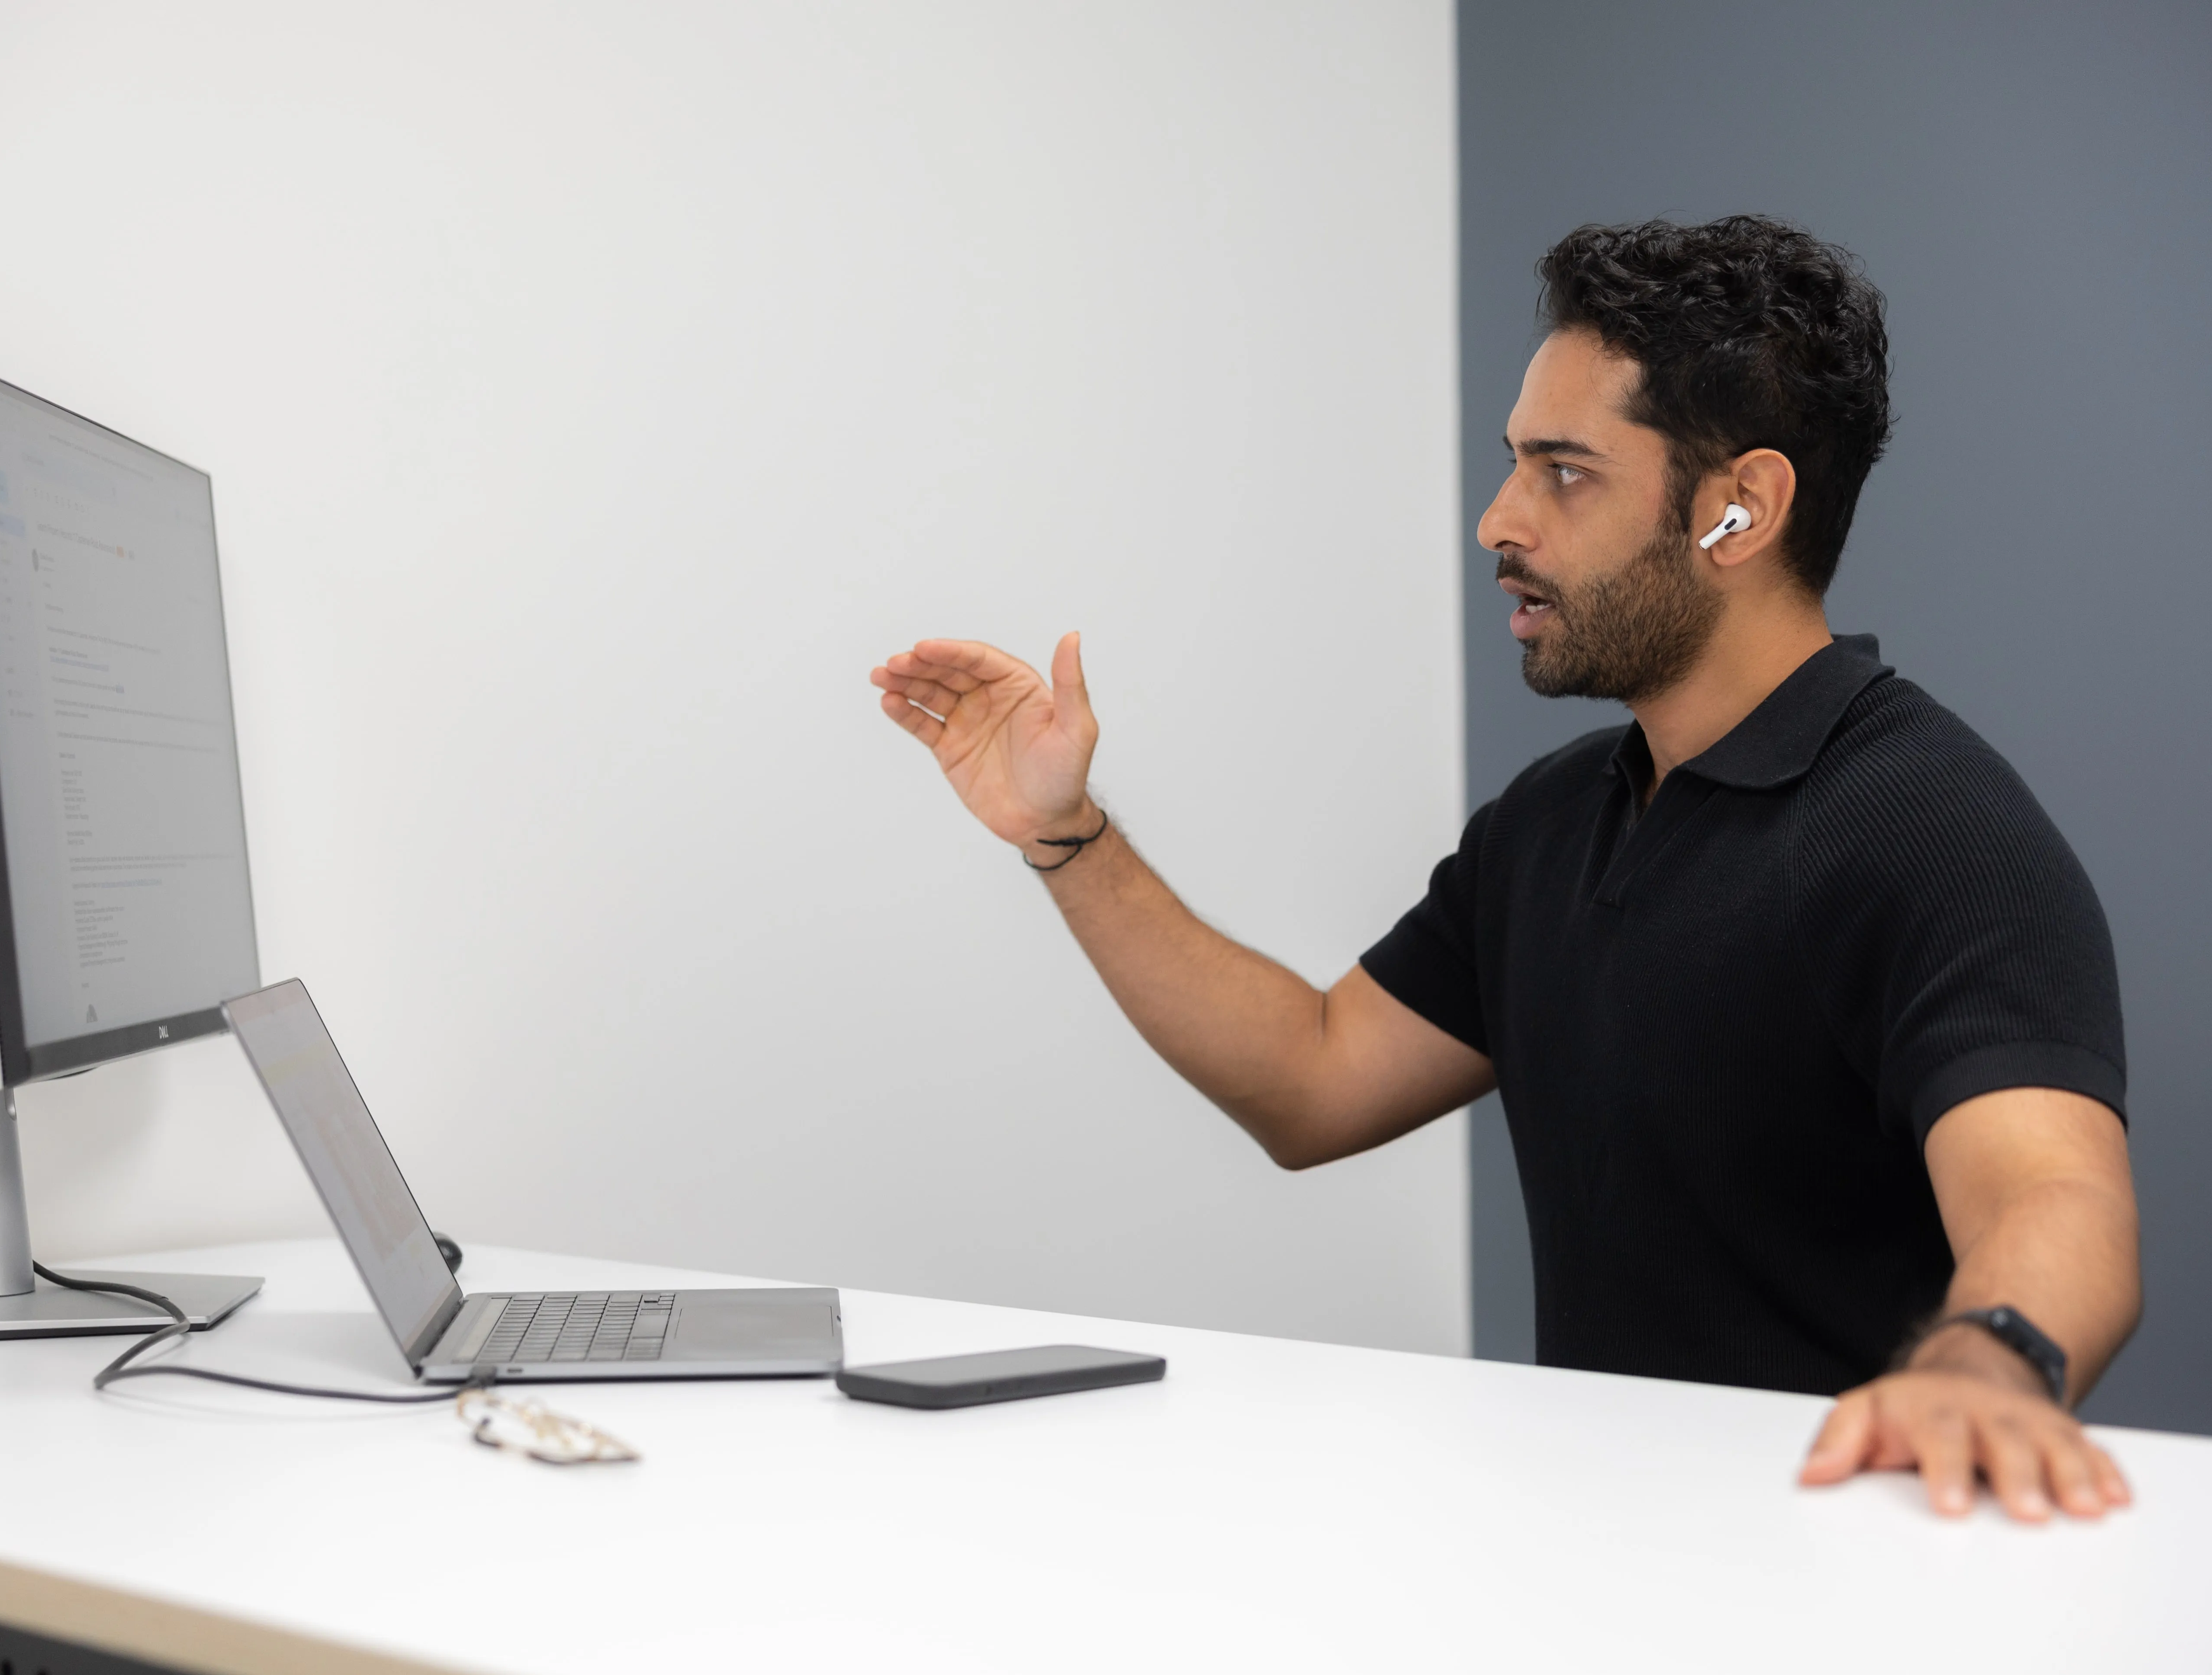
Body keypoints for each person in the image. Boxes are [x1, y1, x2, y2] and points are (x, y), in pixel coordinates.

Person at [868, 216, 2139, 1524]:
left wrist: (1989, 1363)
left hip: (1851, 1574)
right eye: (1510, 465)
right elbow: (1312, 1078)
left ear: (1738, 509)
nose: (1498, 521)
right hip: (1593, 1568)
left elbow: (2055, 1191)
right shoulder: (1556, 820)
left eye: (1565, 472)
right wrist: (1063, 832)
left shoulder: (1930, 827)